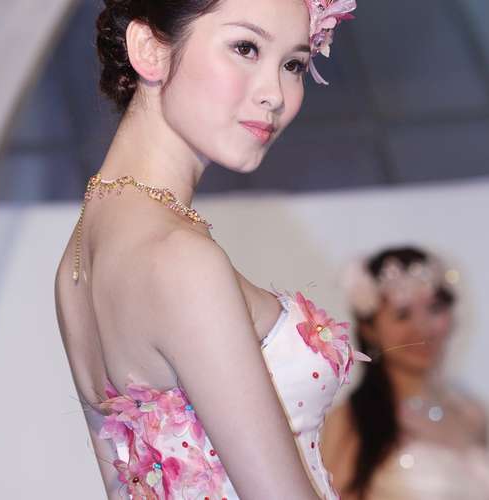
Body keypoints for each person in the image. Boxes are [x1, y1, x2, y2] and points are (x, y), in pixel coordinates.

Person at [55, 1, 366, 498]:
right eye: (245, 47)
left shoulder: (78, 258)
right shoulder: (180, 258)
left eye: (294, 64)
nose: (275, 94)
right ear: (149, 49)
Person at [321, 246, 489, 500]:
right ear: (369, 329)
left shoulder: (471, 413)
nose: (423, 328)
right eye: (402, 315)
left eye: (435, 308)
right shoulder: (352, 421)